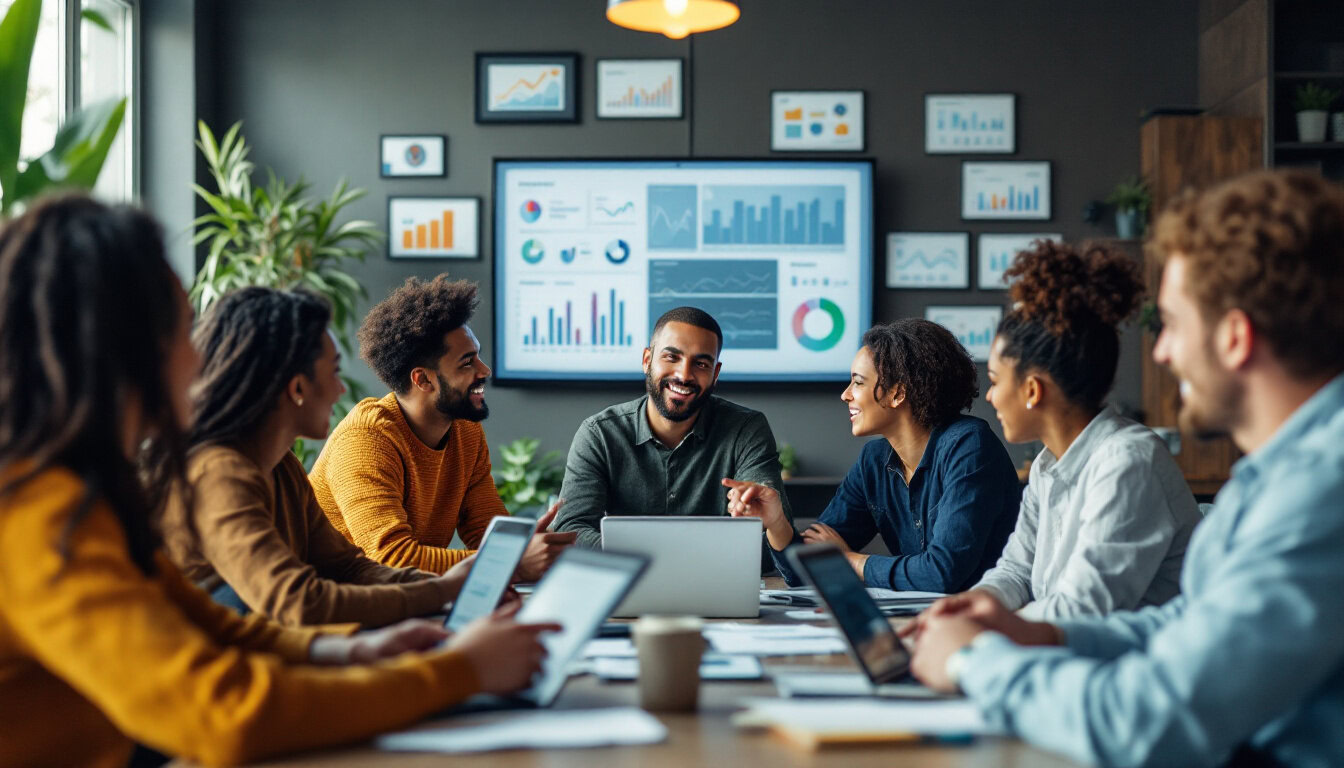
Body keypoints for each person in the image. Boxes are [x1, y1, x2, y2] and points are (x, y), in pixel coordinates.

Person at [0, 196, 556, 767]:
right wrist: (459, 671)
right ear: (125, 349)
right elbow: (224, 711)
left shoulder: (82, 494)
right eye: (185, 331)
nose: (200, 359)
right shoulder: (42, 519)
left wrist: (356, 651)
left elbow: (216, 627)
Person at [908, 170, 1344, 767]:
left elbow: (1147, 721)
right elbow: (1188, 621)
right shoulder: (1273, 476)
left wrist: (972, 661)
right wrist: (1039, 634)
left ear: (1236, 338)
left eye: (1172, 325)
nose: (1161, 352)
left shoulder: (1321, 490)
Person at [162, 286, 504, 627]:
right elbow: (298, 602)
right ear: (297, 389)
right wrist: (444, 591)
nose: (342, 390)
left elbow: (347, 567)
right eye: (335, 372)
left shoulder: (282, 466)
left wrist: (449, 587)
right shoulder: (219, 474)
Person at [953, 241, 1200, 619]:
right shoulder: (1046, 466)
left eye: (995, 380)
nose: (990, 396)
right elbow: (1016, 572)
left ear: (1033, 390)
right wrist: (965, 610)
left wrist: (979, 629)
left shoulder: (1129, 462)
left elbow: (1082, 610)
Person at [726, 319, 1021, 592]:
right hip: (923, 620)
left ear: (897, 394)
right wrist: (777, 523)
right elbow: (807, 572)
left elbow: (942, 572)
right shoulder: (874, 461)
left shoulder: (969, 446)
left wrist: (851, 561)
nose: (846, 394)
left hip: (987, 621)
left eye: (858, 382)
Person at [310, 276, 574, 576]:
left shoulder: (465, 430)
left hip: (404, 601)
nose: (484, 370)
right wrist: (509, 563)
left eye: (478, 357)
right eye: (467, 362)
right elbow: (391, 558)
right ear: (422, 379)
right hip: (336, 606)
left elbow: (487, 531)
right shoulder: (366, 441)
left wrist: (524, 546)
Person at [554, 307, 792, 553]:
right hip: (629, 582)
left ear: (715, 374)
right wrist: (666, 556)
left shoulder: (745, 430)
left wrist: (771, 523)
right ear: (647, 360)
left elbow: (772, 543)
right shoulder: (600, 434)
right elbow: (570, 530)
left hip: (716, 589)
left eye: (700, 363)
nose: (684, 375)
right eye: (672, 357)